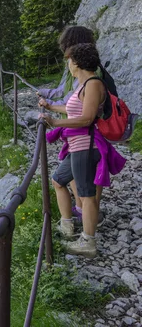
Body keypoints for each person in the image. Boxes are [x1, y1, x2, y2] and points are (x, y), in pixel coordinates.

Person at [39, 44, 125, 258]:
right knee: (58, 180)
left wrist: (54, 122)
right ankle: (67, 226)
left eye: (69, 60)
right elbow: (73, 108)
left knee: (86, 195)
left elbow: (87, 118)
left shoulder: (94, 84)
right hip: (79, 146)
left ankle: (88, 242)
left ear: (76, 62)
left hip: (87, 146)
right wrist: (50, 107)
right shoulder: (83, 85)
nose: (68, 65)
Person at [37, 26, 103, 223]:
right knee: (73, 179)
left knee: (86, 187)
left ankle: (88, 227)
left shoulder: (89, 78)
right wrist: (48, 102)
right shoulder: (85, 71)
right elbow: (68, 97)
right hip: (80, 135)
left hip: (86, 137)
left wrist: (54, 120)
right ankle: (82, 215)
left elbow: (82, 111)